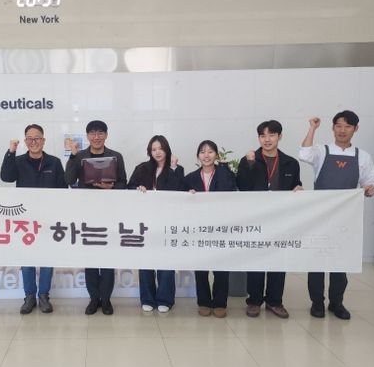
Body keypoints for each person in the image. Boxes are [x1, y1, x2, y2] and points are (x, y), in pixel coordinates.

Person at [299, 111, 374, 320]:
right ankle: (317, 303)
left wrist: (370, 189)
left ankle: (336, 303)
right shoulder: (322, 151)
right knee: (317, 261)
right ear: (333, 128)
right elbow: (304, 154)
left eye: (348, 126)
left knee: (340, 262)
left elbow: (370, 182)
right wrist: (312, 128)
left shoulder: (363, 156)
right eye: (339, 126)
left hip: (346, 218)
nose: (342, 130)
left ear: (355, 129)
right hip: (320, 216)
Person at [237, 120, 302, 319]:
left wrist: (298, 188)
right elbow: (242, 186)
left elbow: (296, 184)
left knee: (278, 260)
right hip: (256, 218)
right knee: (256, 259)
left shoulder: (291, 163)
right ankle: (254, 301)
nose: (267, 139)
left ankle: (275, 301)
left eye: (271, 135)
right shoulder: (249, 159)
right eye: (263, 135)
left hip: (281, 219)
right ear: (259, 138)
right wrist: (249, 165)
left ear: (279, 136)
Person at [0, 124, 67, 314]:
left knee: (47, 259)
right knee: (27, 258)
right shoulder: (18, 161)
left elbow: (63, 189)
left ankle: (44, 296)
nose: (33, 142)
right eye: (29, 138)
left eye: (37, 138)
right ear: (25, 141)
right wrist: (11, 152)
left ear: (43, 140)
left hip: (48, 219)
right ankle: (29, 296)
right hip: (25, 220)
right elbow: (6, 177)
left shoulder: (54, 162)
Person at [64, 120, 127, 315]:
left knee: (107, 258)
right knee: (90, 258)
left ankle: (106, 299)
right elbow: (69, 180)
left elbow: (124, 183)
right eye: (92, 133)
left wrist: (111, 188)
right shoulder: (80, 156)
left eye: (100, 133)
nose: (96, 137)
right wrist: (73, 156)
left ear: (106, 135)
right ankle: (93, 298)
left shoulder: (116, 156)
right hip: (87, 213)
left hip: (109, 213)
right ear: (87, 136)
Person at [128, 135, 184, 313]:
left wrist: (173, 168)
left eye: (160, 148)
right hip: (145, 222)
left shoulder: (177, 169)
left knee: (166, 262)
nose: (157, 152)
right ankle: (147, 298)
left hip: (167, 222)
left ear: (167, 149)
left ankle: (165, 299)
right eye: (153, 149)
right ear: (149, 152)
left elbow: (177, 191)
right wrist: (137, 189)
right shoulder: (142, 168)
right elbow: (129, 188)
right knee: (145, 261)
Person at [183, 140, 237, 318]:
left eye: (210, 152)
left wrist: (223, 169)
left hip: (221, 227)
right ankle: (204, 302)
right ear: (198, 156)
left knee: (221, 267)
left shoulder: (226, 174)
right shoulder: (190, 178)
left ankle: (220, 303)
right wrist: (188, 197)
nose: (206, 155)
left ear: (216, 155)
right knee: (201, 267)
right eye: (202, 152)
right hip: (199, 229)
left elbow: (230, 195)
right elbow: (180, 201)